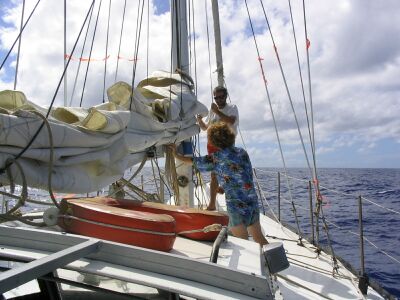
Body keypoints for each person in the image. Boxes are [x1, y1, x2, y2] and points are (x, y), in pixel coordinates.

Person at [169, 122, 268, 245]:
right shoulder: (242, 152)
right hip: (252, 202)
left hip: (236, 207)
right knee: (259, 239)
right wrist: (225, 186)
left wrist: (176, 154)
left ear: (213, 141)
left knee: (244, 243)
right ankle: (273, 262)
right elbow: (244, 175)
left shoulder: (216, 158)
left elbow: (193, 161)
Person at [196, 86, 239, 211]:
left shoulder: (232, 108)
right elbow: (206, 128)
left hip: (226, 145)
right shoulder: (212, 111)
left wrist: (217, 112)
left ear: (226, 96)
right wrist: (199, 120)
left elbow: (231, 121)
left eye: (221, 97)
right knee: (214, 175)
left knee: (228, 173)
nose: (219, 99)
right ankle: (212, 204)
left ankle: (233, 204)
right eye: (216, 97)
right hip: (212, 145)